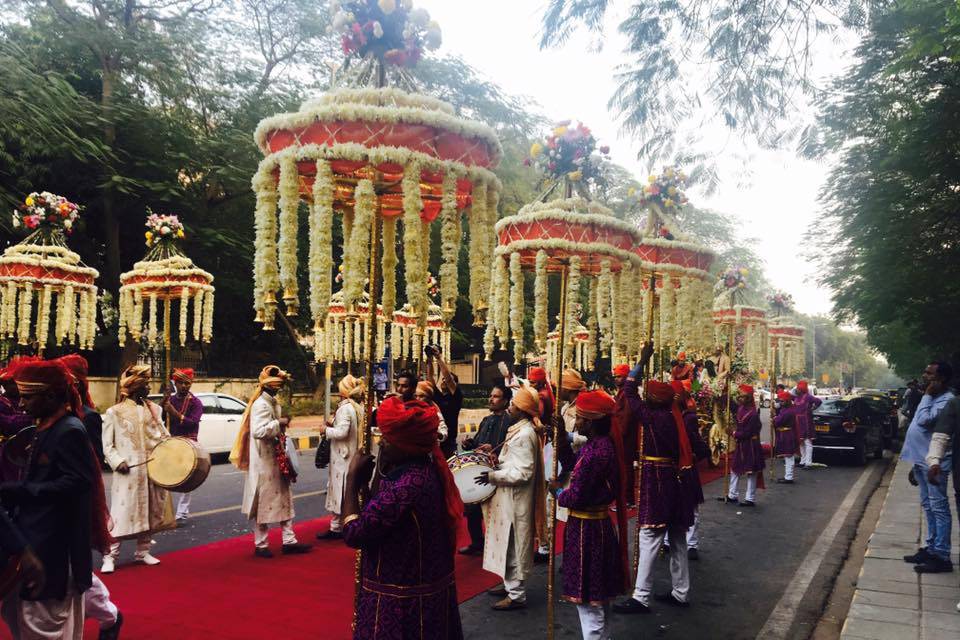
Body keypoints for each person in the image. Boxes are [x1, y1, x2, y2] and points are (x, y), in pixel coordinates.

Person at [0, 359, 110, 639]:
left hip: (55, 548)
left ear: (49, 396)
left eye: (27, 397)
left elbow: (78, 482)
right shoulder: (47, 426)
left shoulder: (69, 430)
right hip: (38, 538)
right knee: (19, 617)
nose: (22, 405)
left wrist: (23, 490)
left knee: (44, 626)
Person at [341, 396, 464, 639]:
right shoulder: (426, 471)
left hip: (401, 605)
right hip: (424, 593)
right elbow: (378, 507)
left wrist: (351, 483)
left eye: (387, 439)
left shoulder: (406, 488)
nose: (382, 445)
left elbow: (355, 532)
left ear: (406, 446)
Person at [614, 350, 696, 614]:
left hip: (657, 480)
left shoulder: (652, 417)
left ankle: (641, 596)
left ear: (652, 400)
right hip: (675, 480)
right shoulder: (673, 417)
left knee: (649, 535)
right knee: (677, 538)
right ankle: (681, 592)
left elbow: (629, 389)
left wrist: (642, 360)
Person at [57, 355, 124, 638]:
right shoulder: (49, 414)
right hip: (50, 503)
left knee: (74, 567)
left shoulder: (88, 417)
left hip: (74, 502)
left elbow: (90, 466)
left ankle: (109, 615)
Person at [553, 389, 629, 639]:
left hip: (587, 532)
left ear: (593, 422)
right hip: (598, 528)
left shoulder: (596, 453)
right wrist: (562, 441)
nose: (576, 422)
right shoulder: (599, 446)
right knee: (600, 598)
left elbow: (575, 496)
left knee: (588, 601)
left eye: (580, 418)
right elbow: (572, 464)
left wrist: (556, 493)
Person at [477, 385, 546, 611]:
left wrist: (492, 476)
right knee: (506, 544)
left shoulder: (525, 434)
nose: (511, 406)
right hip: (508, 498)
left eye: (515, 404)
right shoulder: (520, 429)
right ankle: (509, 585)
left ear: (523, 409)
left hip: (516, 501)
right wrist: (497, 460)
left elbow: (523, 473)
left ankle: (517, 595)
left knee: (514, 546)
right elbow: (514, 464)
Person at [231, 365, 311, 558]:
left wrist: (280, 427)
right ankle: (261, 545)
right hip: (263, 463)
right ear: (270, 386)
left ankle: (289, 541)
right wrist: (279, 423)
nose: (279, 388)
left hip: (277, 459)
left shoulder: (273, 402)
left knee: (285, 499)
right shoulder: (260, 404)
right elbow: (258, 431)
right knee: (262, 503)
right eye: (277, 385)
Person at [101, 364, 174, 573]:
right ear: (135, 388)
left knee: (149, 510)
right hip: (128, 472)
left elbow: (163, 436)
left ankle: (143, 552)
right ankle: (110, 555)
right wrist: (117, 462)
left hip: (151, 469)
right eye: (146, 385)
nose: (149, 389)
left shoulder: (155, 409)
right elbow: (107, 445)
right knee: (121, 514)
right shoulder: (114, 412)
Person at [901, 361, 955, 573]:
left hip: (935, 463)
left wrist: (926, 395)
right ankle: (931, 548)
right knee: (928, 505)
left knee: (939, 507)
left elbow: (923, 421)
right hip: (921, 460)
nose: (925, 376)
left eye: (930, 374)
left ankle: (942, 555)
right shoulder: (933, 398)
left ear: (941, 378)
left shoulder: (946, 401)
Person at [458, 383, 512, 556]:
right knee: (472, 507)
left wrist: (494, 448)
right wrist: (469, 443)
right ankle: (477, 543)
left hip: (497, 471)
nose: (491, 399)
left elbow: (510, 447)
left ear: (505, 401)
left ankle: (497, 546)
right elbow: (477, 441)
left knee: (495, 511)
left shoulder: (510, 421)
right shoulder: (486, 420)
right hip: (479, 469)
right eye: (491, 395)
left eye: (496, 396)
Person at [317, 374, 365, 541]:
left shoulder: (346, 408)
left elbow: (342, 432)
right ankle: (339, 525)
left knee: (340, 491)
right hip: (350, 455)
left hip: (343, 457)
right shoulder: (357, 407)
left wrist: (326, 430)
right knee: (345, 491)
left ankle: (338, 527)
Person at [672, 381, 710, 560]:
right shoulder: (667, 416)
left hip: (686, 467)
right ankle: (665, 540)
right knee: (669, 505)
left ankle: (692, 543)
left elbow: (696, 443)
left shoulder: (689, 418)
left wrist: (696, 454)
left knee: (691, 506)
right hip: (670, 467)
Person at [162, 368, 204, 521]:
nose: (184, 386)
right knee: (165, 477)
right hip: (171, 442)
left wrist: (174, 412)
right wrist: (163, 403)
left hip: (188, 444)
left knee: (187, 479)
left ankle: (181, 513)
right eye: (181, 383)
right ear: (176, 383)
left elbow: (192, 423)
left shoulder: (196, 403)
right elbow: (161, 419)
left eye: (188, 383)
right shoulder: (170, 400)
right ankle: (164, 512)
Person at [721, 384, 765, 506]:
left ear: (749, 398)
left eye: (743, 397)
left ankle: (750, 498)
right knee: (734, 469)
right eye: (739, 396)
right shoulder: (741, 407)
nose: (740, 399)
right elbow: (731, 406)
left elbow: (746, 433)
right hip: (741, 445)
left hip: (751, 445)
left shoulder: (753, 414)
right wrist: (725, 393)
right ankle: (732, 495)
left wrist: (733, 433)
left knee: (751, 472)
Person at [0, 357, 37, 481]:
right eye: (5, 383)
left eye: (11, 383)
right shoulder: (3, 401)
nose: (6, 386)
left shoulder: (33, 401)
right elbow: (13, 423)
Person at [427, 347, 463, 459]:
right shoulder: (437, 395)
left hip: (449, 443)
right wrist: (429, 359)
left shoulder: (456, 396)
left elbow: (448, 378)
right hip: (435, 440)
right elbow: (430, 379)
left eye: (446, 380)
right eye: (442, 379)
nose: (444, 380)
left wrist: (438, 358)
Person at [612, 363, 637, 505]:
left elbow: (626, 416)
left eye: (619, 377)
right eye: (615, 376)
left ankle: (628, 500)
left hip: (625, 437)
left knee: (626, 468)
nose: (616, 379)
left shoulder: (627, 393)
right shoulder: (622, 391)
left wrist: (619, 435)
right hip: (621, 435)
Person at [773, 391, 801, 484]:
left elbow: (778, 422)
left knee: (789, 457)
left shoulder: (788, 411)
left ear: (788, 401)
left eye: (782, 401)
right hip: (786, 434)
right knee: (787, 457)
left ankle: (789, 477)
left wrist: (774, 418)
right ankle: (788, 476)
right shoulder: (785, 409)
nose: (781, 403)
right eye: (780, 401)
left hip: (787, 435)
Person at [794, 380, 822, 469]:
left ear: (802, 389)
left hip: (806, 421)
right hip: (798, 421)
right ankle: (802, 461)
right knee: (801, 442)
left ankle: (808, 463)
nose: (796, 390)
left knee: (807, 442)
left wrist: (813, 408)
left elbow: (819, 401)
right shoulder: (796, 397)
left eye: (798, 388)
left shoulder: (808, 397)